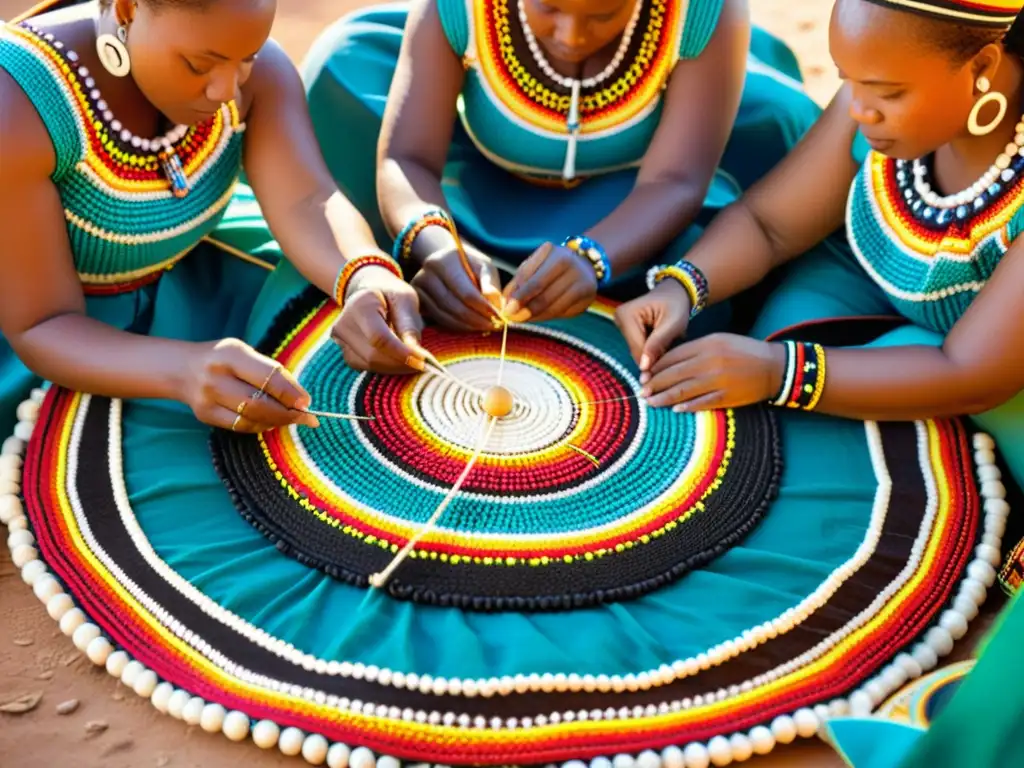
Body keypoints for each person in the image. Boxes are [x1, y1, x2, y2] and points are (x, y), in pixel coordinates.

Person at [613, 0, 1024, 764]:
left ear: (984, 70)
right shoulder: (872, 100)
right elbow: (772, 224)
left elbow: (969, 369)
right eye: (849, 82)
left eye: (888, 93)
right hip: (862, 300)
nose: (860, 109)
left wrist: (779, 371)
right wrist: (684, 286)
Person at [262, 0, 823, 364]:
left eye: (603, 15)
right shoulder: (455, 10)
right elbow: (406, 158)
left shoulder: (705, 14)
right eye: (547, 7)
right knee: (344, 67)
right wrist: (434, 242)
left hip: (632, 200)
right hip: (472, 181)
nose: (572, 35)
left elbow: (676, 179)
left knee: (768, 180)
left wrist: (593, 258)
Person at [0, 0, 426, 441]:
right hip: (67, 343)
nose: (226, 90)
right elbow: (41, 324)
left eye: (248, 58)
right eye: (200, 64)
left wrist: (364, 273)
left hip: (198, 282)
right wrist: (183, 370)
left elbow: (306, 199)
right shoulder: (18, 102)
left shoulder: (254, 71)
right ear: (127, 9)